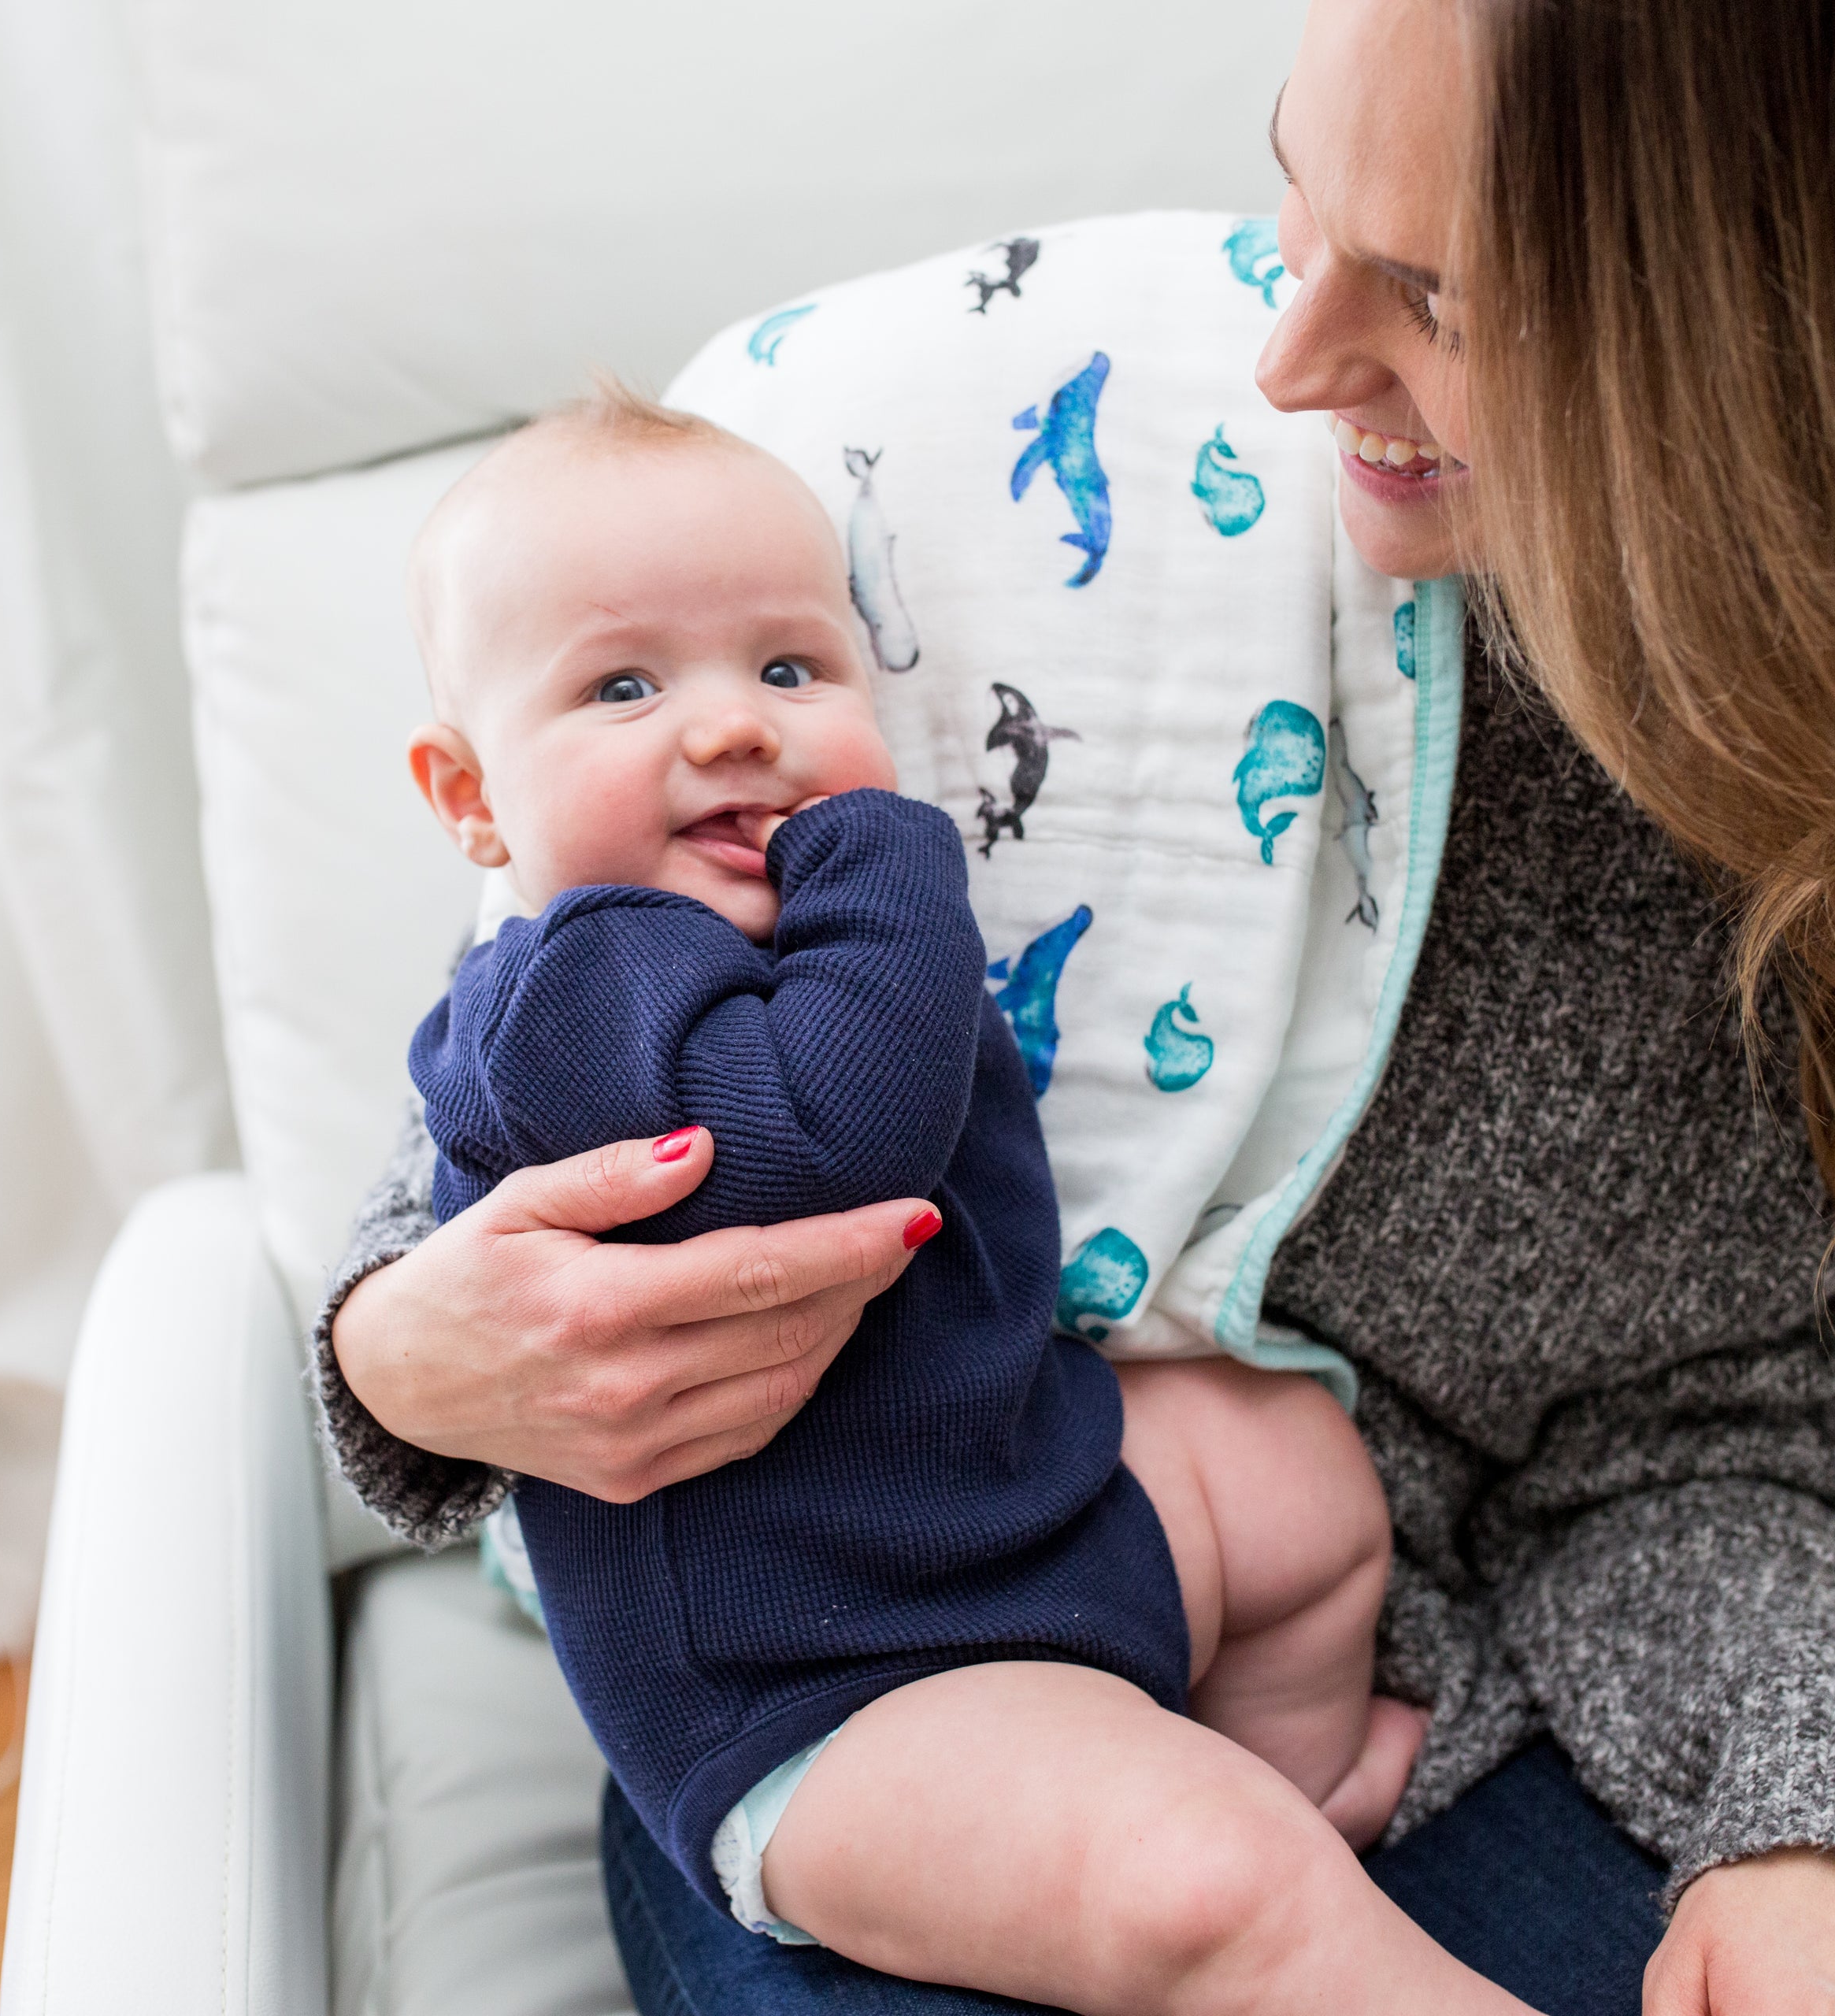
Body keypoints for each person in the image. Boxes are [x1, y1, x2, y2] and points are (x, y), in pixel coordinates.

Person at [315, 0, 1835, 2008]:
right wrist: (404, 1351)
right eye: (1298, 187)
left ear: (1789, 354)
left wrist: (1812, 1817)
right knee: (1169, 1882)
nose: (1286, 360)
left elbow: (1755, 1430)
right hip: (823, 1667)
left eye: (1434, 296)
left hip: (1315, 1621)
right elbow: (518, 1078)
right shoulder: (901, 496)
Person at [395, 387, 1462, 2010]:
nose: (733, 725)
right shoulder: (562, 995)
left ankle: (1288, 1792)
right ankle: (1247, 1883)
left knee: (1295, 1467)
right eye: (623, 684)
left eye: (789, 666)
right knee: (1206, 1876)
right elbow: (837, 1136)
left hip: (1034, 1519)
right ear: (474, 801)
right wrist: (892, 854)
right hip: (826, 1692)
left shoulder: (808, 942)